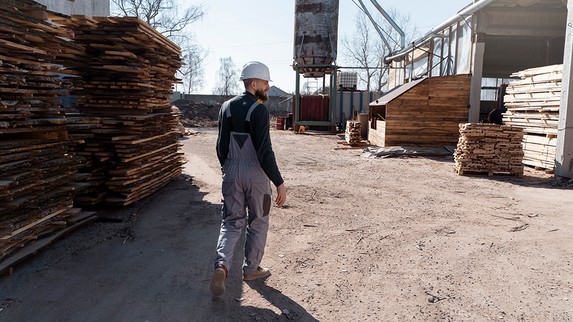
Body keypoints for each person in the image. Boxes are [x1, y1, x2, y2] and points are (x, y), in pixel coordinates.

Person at [210, 61, 287, 297]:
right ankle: (251, 269)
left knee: (231, 221)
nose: (267, 87)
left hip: (231, 172)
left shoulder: (226, 107)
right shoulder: (260, 110)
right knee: (258, 221)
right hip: (256, 176)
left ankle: (222, 265)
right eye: (265, 83)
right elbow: (264, 152)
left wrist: (229, 169)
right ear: (253, 83)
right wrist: (279, 182)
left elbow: (221, 146)